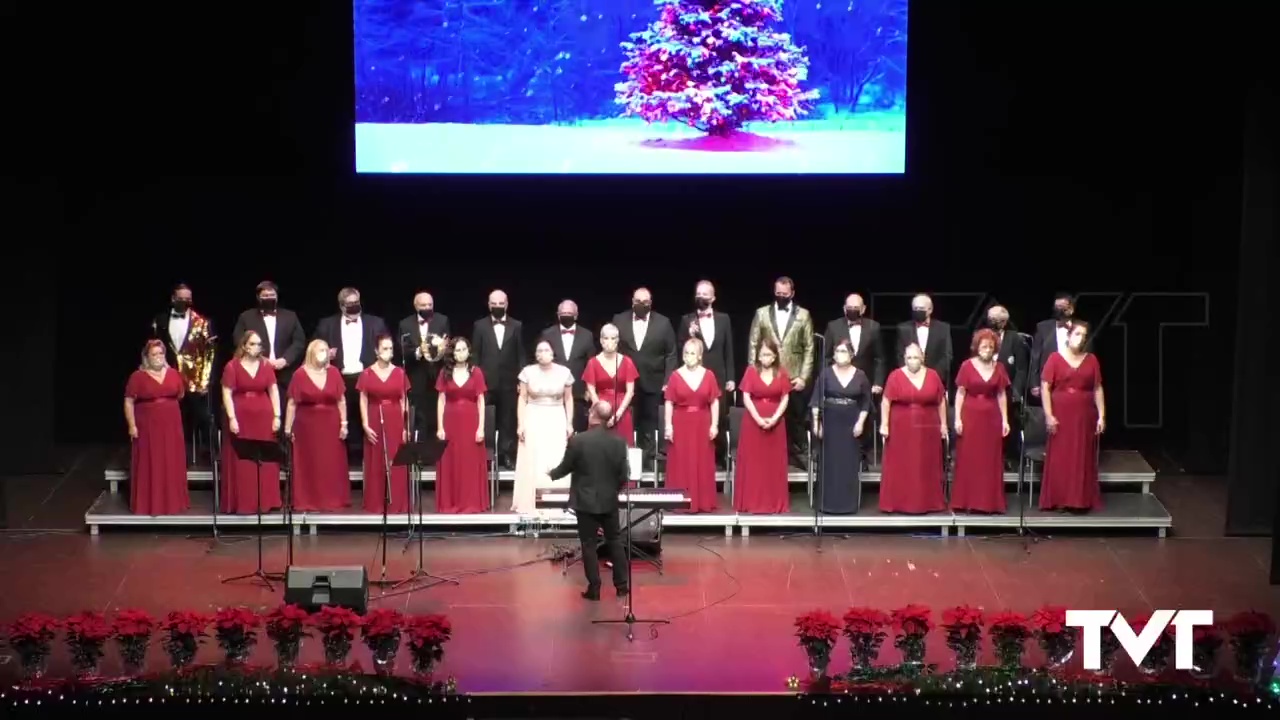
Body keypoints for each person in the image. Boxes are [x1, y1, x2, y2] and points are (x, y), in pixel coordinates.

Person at [546, 401, 631, 601]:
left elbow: (565, 468)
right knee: (615, 542)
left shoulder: (578, 441)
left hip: (585, 502)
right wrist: (613, 490)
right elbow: (624, 475)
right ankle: (622, 586)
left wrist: (551, 473)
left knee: (589, 545)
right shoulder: (619, 442)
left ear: (592, 415)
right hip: (609, 500)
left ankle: (594, 588)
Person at [746, 276, 815, 469]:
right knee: (769, 417)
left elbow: (809, 348)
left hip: (794, 377)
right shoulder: (761, 314)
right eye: (778, 294)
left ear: (792, 293)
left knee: (796, 420)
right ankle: (770, 458)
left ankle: (797, 456)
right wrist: (753, 373)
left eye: (785, 294)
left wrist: (804, 376)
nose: (781, 297)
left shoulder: (803, 315)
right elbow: (753, 343)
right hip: (768, 375)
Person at [313, 287, 390, 461]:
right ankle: (343, 463)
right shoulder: (326, 325)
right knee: (341, 422)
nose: (354, 306)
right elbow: (313, 350)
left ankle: (370, 462)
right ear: (341, 306)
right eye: (350, 304)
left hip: (368, 377)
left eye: (357, 302)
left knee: (369, 421)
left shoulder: (376, 323)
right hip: (340, 378)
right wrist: (326, 353)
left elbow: (387, 347)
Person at [1040, 321, 1105, 512]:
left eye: (1084, 336)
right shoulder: (1054, 358)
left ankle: (1080, 499)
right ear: (1068, 336)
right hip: (1061, 414)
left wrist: (1102, 415)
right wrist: (1049, 415)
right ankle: (1060, 499)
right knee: (1062, 456)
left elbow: (1098, 388)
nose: (1081, 339)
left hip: (1084, 415)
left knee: (1082, 455)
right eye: (1077, 334)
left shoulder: (1091, 359)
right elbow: (1045, 387)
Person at [148, 283, 216, 463]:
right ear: (173, 299)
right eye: (181, 298)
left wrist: (205, 381)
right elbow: (153, 348)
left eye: (188, 299)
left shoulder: (202, 322)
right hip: (168, 378)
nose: (185, 301)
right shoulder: (160, 321)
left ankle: (210, 455)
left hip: (195, 380)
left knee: (203, 418)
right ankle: (178, 457)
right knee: (176, 421)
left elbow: (209, 354)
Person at [611, 288, 677, 470]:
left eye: (645, 302)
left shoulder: (663, 323)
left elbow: (671, 354)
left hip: (653, 382)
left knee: (649, 424)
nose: (641, 305)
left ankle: (647, 464)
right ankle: (624, 463)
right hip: (625, 383)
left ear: (651, 303)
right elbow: (613, 350)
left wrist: (667, 381)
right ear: (632, 301)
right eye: (638, 301)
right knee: (626, 422)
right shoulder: (619, 320)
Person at [879, 343, 947, 514]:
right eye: (909, 357)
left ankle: (928, 502)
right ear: (904, 358)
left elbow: (941, 401)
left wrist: (944, 424)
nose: (912, 360)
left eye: (915, 357)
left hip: (928, 428)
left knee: (926, 464)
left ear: (922, 358)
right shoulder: (895, 376)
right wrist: (884, 424)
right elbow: (886, 401)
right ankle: (899, 503)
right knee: (902, 465)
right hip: (900, 428)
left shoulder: (933, 375)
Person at [219, 330, 282, 514]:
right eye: (253, 344)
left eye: (259, 344)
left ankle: (266, 501)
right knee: (243, 460)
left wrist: (277, 415)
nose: (256, 347)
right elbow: (227, 393)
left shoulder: (266, 366)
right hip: (242, 417)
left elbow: (273, 391)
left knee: (265, 459)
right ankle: (244, 502)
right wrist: (232, 418)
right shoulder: (232, 366)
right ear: (244, 346)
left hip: (263, 417)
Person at [124, 339, 189, 515]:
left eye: (161, 353)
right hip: (147, 427)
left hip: (171, 426)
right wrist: (132, 425)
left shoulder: (174, 374)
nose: (158, 357)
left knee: (171, 460)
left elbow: (180, 394)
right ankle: (151, 504)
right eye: (154, 354)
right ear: (147, 357)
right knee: (151, 462)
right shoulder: (137, 377)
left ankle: (173, 503)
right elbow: (129, 401)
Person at [284, 339, 350, 511]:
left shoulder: (334, 372)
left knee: (330, 462)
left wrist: (344, 424)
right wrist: (287, 428)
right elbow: (292, 404)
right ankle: (308, 500)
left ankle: (333, 499)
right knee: (309, 463)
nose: (324, 353)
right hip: (306, 426)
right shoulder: (299, 374)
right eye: (321, 350)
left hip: (331, 424)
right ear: (311, 352)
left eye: (326, 350)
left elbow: (341, 400)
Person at [822, 293, 886, 467]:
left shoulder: (874, 327)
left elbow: (879, 358)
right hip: (838, 381)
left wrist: (878, 383)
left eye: (856, 308)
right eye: (849, 308)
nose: (852, 311)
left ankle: (861, 457)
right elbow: (826, 356)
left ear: (863, 309)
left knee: (864, 419)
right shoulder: (833, 327)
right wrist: (829, 378)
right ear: (844, 309)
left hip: (864, 384)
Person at [511, 340, 575, 515]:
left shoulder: (564, 372)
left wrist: (569, 423)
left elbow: (568, 399)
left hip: (556, 416)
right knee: (534, 456)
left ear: (553, 352)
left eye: (546, 350)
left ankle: (559, 501)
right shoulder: (527, 372)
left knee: (556, 455)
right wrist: (520, 424)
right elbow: (522, 398)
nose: (542, 353)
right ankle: (531, 501)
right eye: (539, 350)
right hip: (534, 415)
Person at [809, 339, 872, 514]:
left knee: (847, 463)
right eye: (837, 351)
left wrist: (860, 422)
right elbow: (816, 401)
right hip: (830, 422)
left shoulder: (860, 375)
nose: (839, 355)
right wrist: (816, 423)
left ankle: (847, 505)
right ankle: (827, 504)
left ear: (851, 355)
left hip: (851, 423)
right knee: (830, 463)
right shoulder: (826, 374)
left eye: (843, 351)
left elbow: (866, 402)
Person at [951, 329, 1011, 513]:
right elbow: (960, 393)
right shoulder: (967, 366)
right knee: (970, 458)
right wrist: (957, 418)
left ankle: (989, 503)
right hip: (971, 417)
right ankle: (967, 501)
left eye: (991, 346)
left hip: (991, 418)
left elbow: (1001, 394)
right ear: (977, 347)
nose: (987, 349)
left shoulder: (999, 367)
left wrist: (1005, 421)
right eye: (984, 346)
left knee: (990, 459)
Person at [677, 280, 736, 467]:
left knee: (719, 417)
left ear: (713, 297)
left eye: (705, 294)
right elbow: (681, 348)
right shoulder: (687, 320)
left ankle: (720, 458)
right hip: (695, 376)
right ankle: (699, 457)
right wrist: (690, 335)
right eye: (698, 293)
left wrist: (731, 377)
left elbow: (729, 350)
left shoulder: (724, 319)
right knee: (698, 417)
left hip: (718, 375)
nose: (701, 297)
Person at [733, 337, 791, 513]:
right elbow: (746, 397)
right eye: (762, 354)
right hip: (753, 423)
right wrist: (758, 419)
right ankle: (751, 502)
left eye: (768, 354)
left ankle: (773, 503)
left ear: (774, 356)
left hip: (776, 423)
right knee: (754, 464)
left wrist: (774, 418)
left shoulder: (781, 373)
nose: (764, 358)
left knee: (772, 465)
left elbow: (785, 397)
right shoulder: (751, 372)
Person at [664, 338, 721, 513]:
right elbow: (668, 402)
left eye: (692, 354)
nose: (688, 357)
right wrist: (668, 426)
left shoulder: (709, 375)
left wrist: (714, 425)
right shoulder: (675, 375)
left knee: (702, 462)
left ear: (700, 356)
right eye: (686, 353)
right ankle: (679, 501)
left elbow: (714, 402)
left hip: (702, 423)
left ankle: (702, 501)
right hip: (681, 423)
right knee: (681, 462)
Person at [471, 290, 526, 469]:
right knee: (484, 418)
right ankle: (485, 457)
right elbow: (476, 355)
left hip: (509, 382)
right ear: (488, 305)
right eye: (493, 304)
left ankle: (506, 455)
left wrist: (522, 380)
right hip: (486, 381)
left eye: (500, 304)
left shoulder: (517, 325)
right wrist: (475, 380)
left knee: (508, 420)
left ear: (507, 304)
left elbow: (521, 355)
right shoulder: (479, 326)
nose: (497, 307)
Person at [434, 338, 490, 513]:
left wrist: (481, 427)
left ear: (468, 351)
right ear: (452, 353)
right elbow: (441, 400)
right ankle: (450, 502)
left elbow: (481, 401)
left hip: (470, 421)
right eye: (457, 350)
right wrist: (440, 427)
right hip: (450, 422)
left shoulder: (476, 372)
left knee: (469, 462)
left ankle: (471, 502)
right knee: (451, 461)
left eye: (464, 349)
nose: (461, 353)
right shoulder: (445, 372)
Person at [357, 335, 410, 514]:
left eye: (391, 349)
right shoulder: (367, 373)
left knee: (395, 458)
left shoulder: (400, 373)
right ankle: (376, 502)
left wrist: (405, 426)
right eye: (385, 349)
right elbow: (363, 399)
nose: (389, 352)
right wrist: (365, 424)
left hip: (394, 417)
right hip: (374, 416)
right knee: (376, 458)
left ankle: (397, 502)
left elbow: (404, 400)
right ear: (376, 351)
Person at [231, 281, 305, 391]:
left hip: (285, 376)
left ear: (277, 296)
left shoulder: (290, 316)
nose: (269, 298)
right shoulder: (246, 317)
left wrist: (285, 360)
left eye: (272, 295)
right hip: (255, 372)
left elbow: (299, 341)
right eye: (265, 296)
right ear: (258, 297)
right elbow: (239, 341)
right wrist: (261, 359)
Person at [398, 291, 450, 442]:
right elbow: (402, 350)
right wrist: (419, 351)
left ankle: (438, 445)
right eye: (423, 305)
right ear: (416, 306)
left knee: (437, 408)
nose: (427, 307)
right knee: (419, 411)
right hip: (416, 373)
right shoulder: (405, 324)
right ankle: (420, 448)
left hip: (437, 372)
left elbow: (447, 344)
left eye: (430, 305)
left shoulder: (442, 320)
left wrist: (441, 346)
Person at [540, 300, 594, 433]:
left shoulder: (587, 335)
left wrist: (589, 389)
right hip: (554, 393)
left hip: (579, 394)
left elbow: (591, 363)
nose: (566, 316)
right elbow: (541, 362)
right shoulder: (547, 334)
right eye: (563, 313)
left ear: (576, 315)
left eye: (569, 313)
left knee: (578, 430)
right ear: (558, 315)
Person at [583, 324, 640, 446]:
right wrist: (600, 410)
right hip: (599, 408)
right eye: (606, 338)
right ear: (601, 340)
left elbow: (630, 391)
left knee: (622, 449)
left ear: (618, 340)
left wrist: (618, 414)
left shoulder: (627, 362)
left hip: (622, 410)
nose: (610, 342)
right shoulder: (592, 363)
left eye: (613, 338)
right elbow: (591, 389)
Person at [894, 294, 954, 389]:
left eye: (921, 308)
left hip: (935, 380)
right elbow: (900, 355)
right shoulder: (903, 329)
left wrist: (931, 376)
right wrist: (910, 375)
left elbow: (946, 356)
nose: (918, 311)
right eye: (915, 308)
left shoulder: (943, 328)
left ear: (930, 309)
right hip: (910, 379)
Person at [1029, 292, 1076, 401]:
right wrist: (1034, 383)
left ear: (1071, 308)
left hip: (1074, 378)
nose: (1059, 310)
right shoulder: (1042, 327)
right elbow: (1035, 356)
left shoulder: (1081, 327)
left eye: (1062, 307)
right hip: (1049, 380)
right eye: (1056, 307)